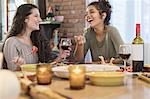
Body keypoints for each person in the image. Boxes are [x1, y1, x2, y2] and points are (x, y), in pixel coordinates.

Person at [2, 4, 70, 71]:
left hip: (36, 80)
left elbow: (43, 68)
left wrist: (60, 56)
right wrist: (19, 66)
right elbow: (12, 72)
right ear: (25, 19)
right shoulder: (11, 42)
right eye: (36, 16)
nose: (40, 20)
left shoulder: (36, 41)